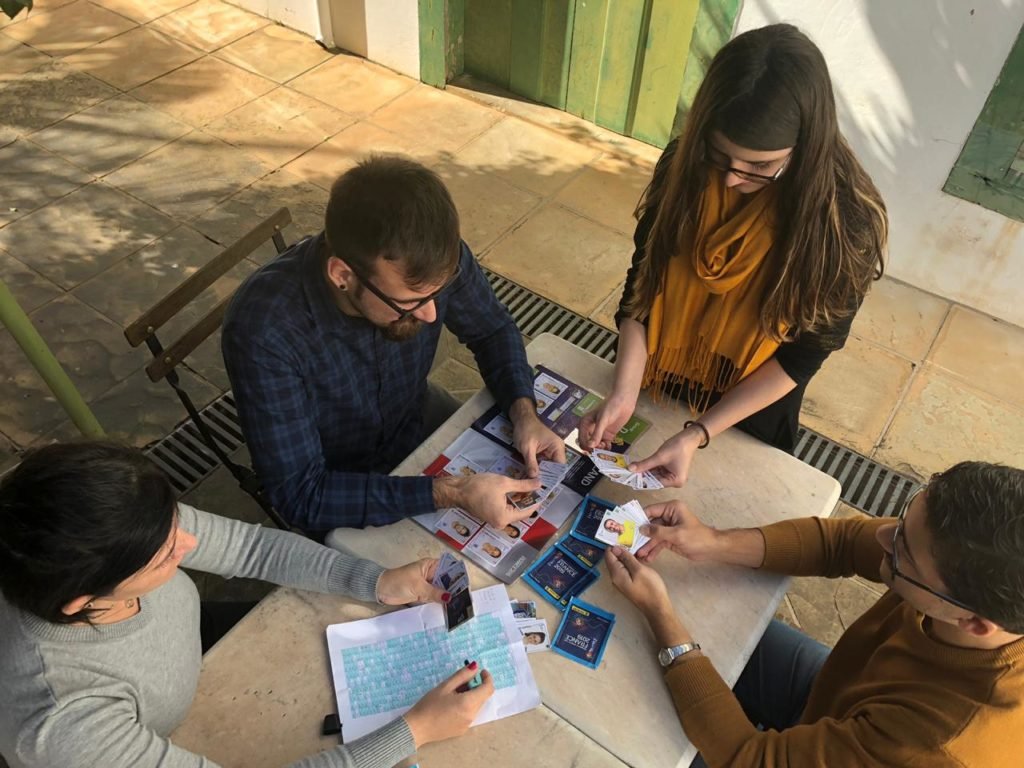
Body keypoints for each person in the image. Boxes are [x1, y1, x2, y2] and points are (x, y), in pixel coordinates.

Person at [0, 441, 496, 768]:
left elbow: (252, 548)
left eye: (177, 523)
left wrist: (376, 580)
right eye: (165, 557)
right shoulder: (66, 722)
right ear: (83, 603)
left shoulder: (123, 522)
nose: (190, 545)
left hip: (194, 650)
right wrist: (415, 730)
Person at [579, 24, 888, 487]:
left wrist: (699, 433)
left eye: (761, 167)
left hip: (749, 414)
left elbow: (802, 359)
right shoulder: (683, 168)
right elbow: (640, 291)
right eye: (718, 154)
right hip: (654, 379)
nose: (729, 180)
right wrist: (624, 392)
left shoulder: (844, 226)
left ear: (807, 148)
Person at [223, 155, 565, 534]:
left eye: (439, 292)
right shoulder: (265, 330)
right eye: (409, 303)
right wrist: (450, 492)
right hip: (338, 481)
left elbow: (492, 330)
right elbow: (302, 495)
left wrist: (524, 414)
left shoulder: (430, 259)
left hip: (413, 418)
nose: (432, 315)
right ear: (343, 275)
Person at [605, 461, 1024, 767]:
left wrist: (661, 616)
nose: (881, 536)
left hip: (864, 737)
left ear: (973, 623)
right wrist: (713, 541)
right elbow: (839, 542)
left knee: (638, 742)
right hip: (836, 692)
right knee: (716, 635)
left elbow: (749, 758)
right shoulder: (958, 567)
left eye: (902, 554)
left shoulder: (936, 745)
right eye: (900, 523)